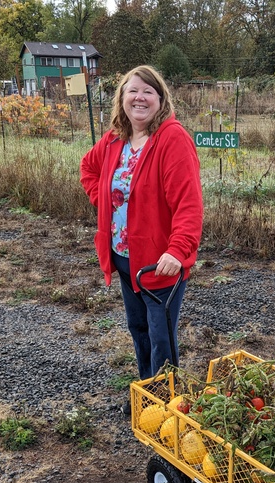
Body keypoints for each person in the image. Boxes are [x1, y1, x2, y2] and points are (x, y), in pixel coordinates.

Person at [80, 65, 203, 380]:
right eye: (133, 90)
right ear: (122, 97)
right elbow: (88, 169)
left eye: (149, 91)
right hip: (123, 258)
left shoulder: (171, 139)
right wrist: (105, 202)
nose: (140, 97)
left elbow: (188, 204)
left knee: (161, 337)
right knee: (139, 328)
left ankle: (166, 405)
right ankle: (148, 393)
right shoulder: (114, 140)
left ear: (161, 100)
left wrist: (178, 251)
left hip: (158, 265)